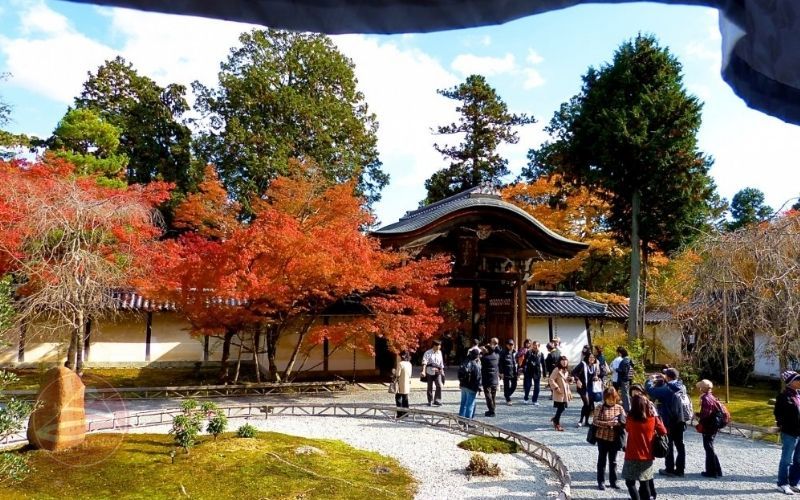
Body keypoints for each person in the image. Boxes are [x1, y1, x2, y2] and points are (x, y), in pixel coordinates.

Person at [622, 394, 667, 500]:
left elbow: (627, 429)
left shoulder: (630, 418)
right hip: (647, 454)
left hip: (632, 454)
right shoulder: (653, 418)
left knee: (630, 482)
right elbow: (663, 431)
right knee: (645, 483)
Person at [645, 367, 687, 478]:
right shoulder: (681, 386)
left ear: (667, 377)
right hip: (680, 418)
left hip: (669, 419)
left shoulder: (667, 389)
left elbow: (651, 390)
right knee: (680, 445)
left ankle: (669, 469)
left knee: (669, 443)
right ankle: (680, 470)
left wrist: (650, 380)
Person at [593, 386, 626, 490]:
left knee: (613, 461)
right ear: (605, 398)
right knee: (602, 460)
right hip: (602, 437)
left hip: (614, 438)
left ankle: (613, 481)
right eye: (609, 399)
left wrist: (619, 423)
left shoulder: (619, 408)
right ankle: (601, 481)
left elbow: (625, 421)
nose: (611, 401)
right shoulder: (599, 407)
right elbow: (595, 421)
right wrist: (607, 423)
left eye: (613, 399)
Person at [775, 370, 800, 495]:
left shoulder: (799, 395)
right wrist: (783, 425)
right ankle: (782, 483)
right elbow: (778, 414)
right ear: (791, 382)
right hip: (790, 433)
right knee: (787, 460)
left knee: (799, 459)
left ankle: (794, 483)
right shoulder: (784, 396)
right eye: (798, 379)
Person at [695, 379, 723, 479]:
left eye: (700, 387)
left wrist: (699, 420)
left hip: (709, 426)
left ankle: (711, 471)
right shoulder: (712, 397)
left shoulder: (705, 399)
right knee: (710, 447)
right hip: (714, 425)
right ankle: (717, 470)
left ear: (702, 388)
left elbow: (706, 415)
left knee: (708, 447)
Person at [572, 352, 600, 427]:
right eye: (590, 357)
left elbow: (598, 374)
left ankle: (587, 421)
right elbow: (574, 372)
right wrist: (577, 380)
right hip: (582, 387)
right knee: (586, 403)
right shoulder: (583, 364)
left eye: (593, 358)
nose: (592, 359)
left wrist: (596, 377)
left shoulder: (594, 366)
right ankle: (581, 420)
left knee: (590, 404)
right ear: (587, 358)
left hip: (591, 388)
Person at [549, 355, 573, 431]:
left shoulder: (566, 370)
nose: (564, 362)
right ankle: (557, 423)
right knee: (561, 407)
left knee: (563, 408)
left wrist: (570, 380)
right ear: (559, 362)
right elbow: (551, 379)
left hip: (565, 392)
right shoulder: (557, 370)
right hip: (559, 392)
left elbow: (567, 382)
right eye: (562, 361)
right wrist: (556, 388)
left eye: (565, 361)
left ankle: (555, 418)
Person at [458, 349, 482, 419]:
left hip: (463, 385)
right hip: (471, 386)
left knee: (463, 403)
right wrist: (479, 387)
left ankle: (461, 419)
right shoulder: (476, 365)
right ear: (477, 356)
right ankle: (468, 422)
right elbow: (477, 377)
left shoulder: (465, 361)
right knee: (470, 404)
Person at [421, 340, 444, 406]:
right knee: (429, 386)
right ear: (434, 346)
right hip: (429, 371)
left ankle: (437, 400)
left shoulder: (440, 352)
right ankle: (430, 400)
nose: (439, 347)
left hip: (437, 371)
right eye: (438, 346)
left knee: (439, 385)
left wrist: (442, 371)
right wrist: (423, 371)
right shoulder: (428, 353)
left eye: (440, 346)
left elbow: (441, 363)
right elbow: (424, 362)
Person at [523, 341, 546, 405]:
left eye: (536, 345)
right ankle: (526, 397)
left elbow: (543, 364)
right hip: (529, 371)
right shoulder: (529, 352)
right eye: (534, 345)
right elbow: (525, 361)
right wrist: (522, 368)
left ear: (539, 346)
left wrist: (544, 373)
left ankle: (534, 400)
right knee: (528, 385)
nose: (535, 347)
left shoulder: (541, 354)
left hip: (537, 371)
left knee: (537, 387)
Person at [480, 343, 500, 416]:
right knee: (493, 394)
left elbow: (481, 358)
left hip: (487, 379)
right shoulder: (497, 356)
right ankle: (493, 408)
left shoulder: (485, 358)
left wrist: (482, 352)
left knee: (488, 394)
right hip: (495, 378)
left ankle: (491, 410)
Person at [499, 338, 518, 405]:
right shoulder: (503, 353)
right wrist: (501, 372)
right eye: (510, 344)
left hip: (514, 372)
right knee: (506, 386)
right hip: (506, 371)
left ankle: (507, 394)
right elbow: (500, 363)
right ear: (507, 345)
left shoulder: (514, 352)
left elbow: (516, 362)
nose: (512, 346)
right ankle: (508, 399)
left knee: (514, 386)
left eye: (512, 344)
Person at [394, 351, 412, 418]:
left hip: (400, 382)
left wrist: (394, 372)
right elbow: (410, 374)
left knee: (398, 398)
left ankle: (400, 413)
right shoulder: (409, 364)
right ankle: (406, 413)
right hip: (407, 382)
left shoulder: (400, 364)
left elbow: (398, 374)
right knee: (405, 398)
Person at [615, 347, 633, 412]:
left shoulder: (624, 361)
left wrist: (617, 369)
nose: (617, 355)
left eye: (618, 353)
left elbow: (624, 371)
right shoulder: (628, 359)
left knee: (625, 395)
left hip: (624, 380)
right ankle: (628, 408)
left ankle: (627, 409)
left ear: (620, 353)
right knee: (626, 394)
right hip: (628, 379)